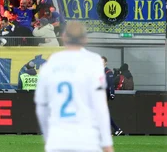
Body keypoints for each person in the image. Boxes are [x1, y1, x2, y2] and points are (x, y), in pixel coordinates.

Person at [35, 22, 114, 152]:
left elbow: (42, 108)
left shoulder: (50, 63)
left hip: (58, 140)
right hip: (87, 140)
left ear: (64, 37)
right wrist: (107, 144)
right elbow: (100, 106)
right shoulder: (94, 62)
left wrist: (49, 137)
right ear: (85, 39)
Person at [103, 56, 123, 136]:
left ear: (105, 62)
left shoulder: (108, 71)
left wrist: (111, 93)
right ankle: (116, 129)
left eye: (102, 61)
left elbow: (110, 84)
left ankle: (115, 129)